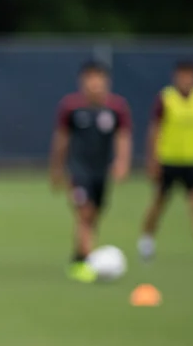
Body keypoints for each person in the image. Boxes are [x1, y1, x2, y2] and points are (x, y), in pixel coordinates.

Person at [50, 60, 133, 283]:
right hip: (78, 170)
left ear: (107, 81)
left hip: (101, 171)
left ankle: (79, 257)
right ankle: (88, 261)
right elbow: (61, 139)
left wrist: (122, 162)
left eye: (99, 78)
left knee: (94, 215)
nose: (94, 83)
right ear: (82, 81)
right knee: (84, 212)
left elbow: (123, 137)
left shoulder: (117, 108)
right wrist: (57, 168)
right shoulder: (71, 107)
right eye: (90, 78)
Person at [137, 60, 193, 266]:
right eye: (183, 75)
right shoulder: (166, 98)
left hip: (192, 161)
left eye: (190, 76)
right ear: (175, 77)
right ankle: (146, 242)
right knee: (158, 204)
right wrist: (152, 159)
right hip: (168, 160)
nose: (187, 80)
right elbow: (155, 130)